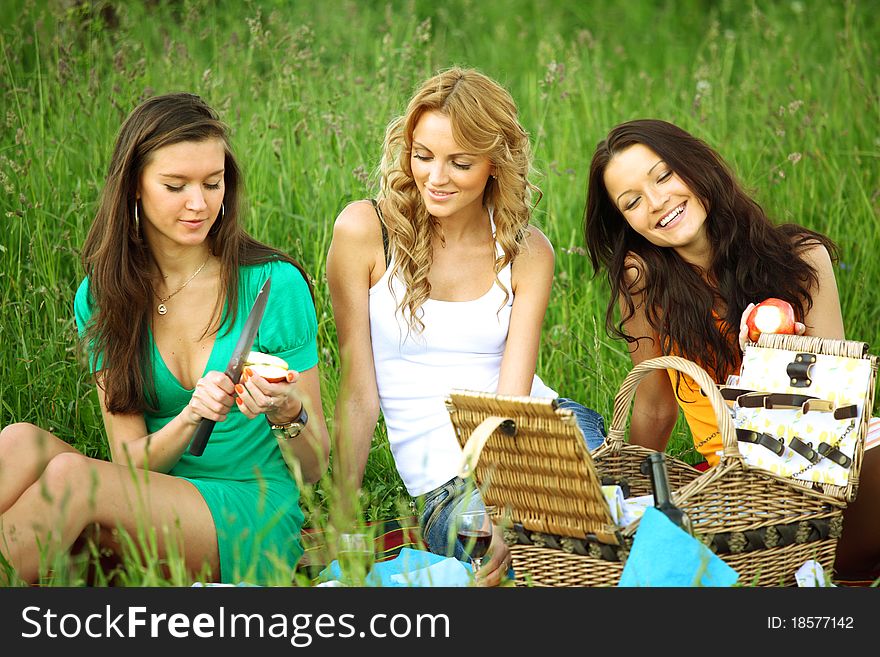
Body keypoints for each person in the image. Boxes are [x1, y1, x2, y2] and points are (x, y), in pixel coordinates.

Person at [0, 93, 330, 585]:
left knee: (72, 480)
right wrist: (191, 416)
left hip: (247, 510)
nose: (199, 203)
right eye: (175, 186)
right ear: (135, 185)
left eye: (212, 184)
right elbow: (129, 461)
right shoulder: (104, 295)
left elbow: (315, 466)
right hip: (150, 491)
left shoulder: (273, 284)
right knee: (18, 441)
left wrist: (288, 412)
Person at [327, 67, 606, 586]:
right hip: (445, 482)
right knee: (544, 550)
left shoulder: (527, 251)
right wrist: (343, 521)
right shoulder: (365, 232)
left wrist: (509, 500)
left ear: (495, 165)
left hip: (537, 433)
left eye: (459, 162)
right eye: (422, 156)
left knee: (609, 526)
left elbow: (513, 401)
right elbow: (358, 394)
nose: (435, 177)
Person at [583, 117, 880, 580]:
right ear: (627, 223)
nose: (657, 202)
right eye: (632, 202)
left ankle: (844, 587)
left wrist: (774, 364)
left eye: (663, 176)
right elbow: (656, 412)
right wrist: (621, 498)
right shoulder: (644, 285)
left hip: (814, 459)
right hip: (730, 475)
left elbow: (837, 417)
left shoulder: (802, 260)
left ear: (696, 167)